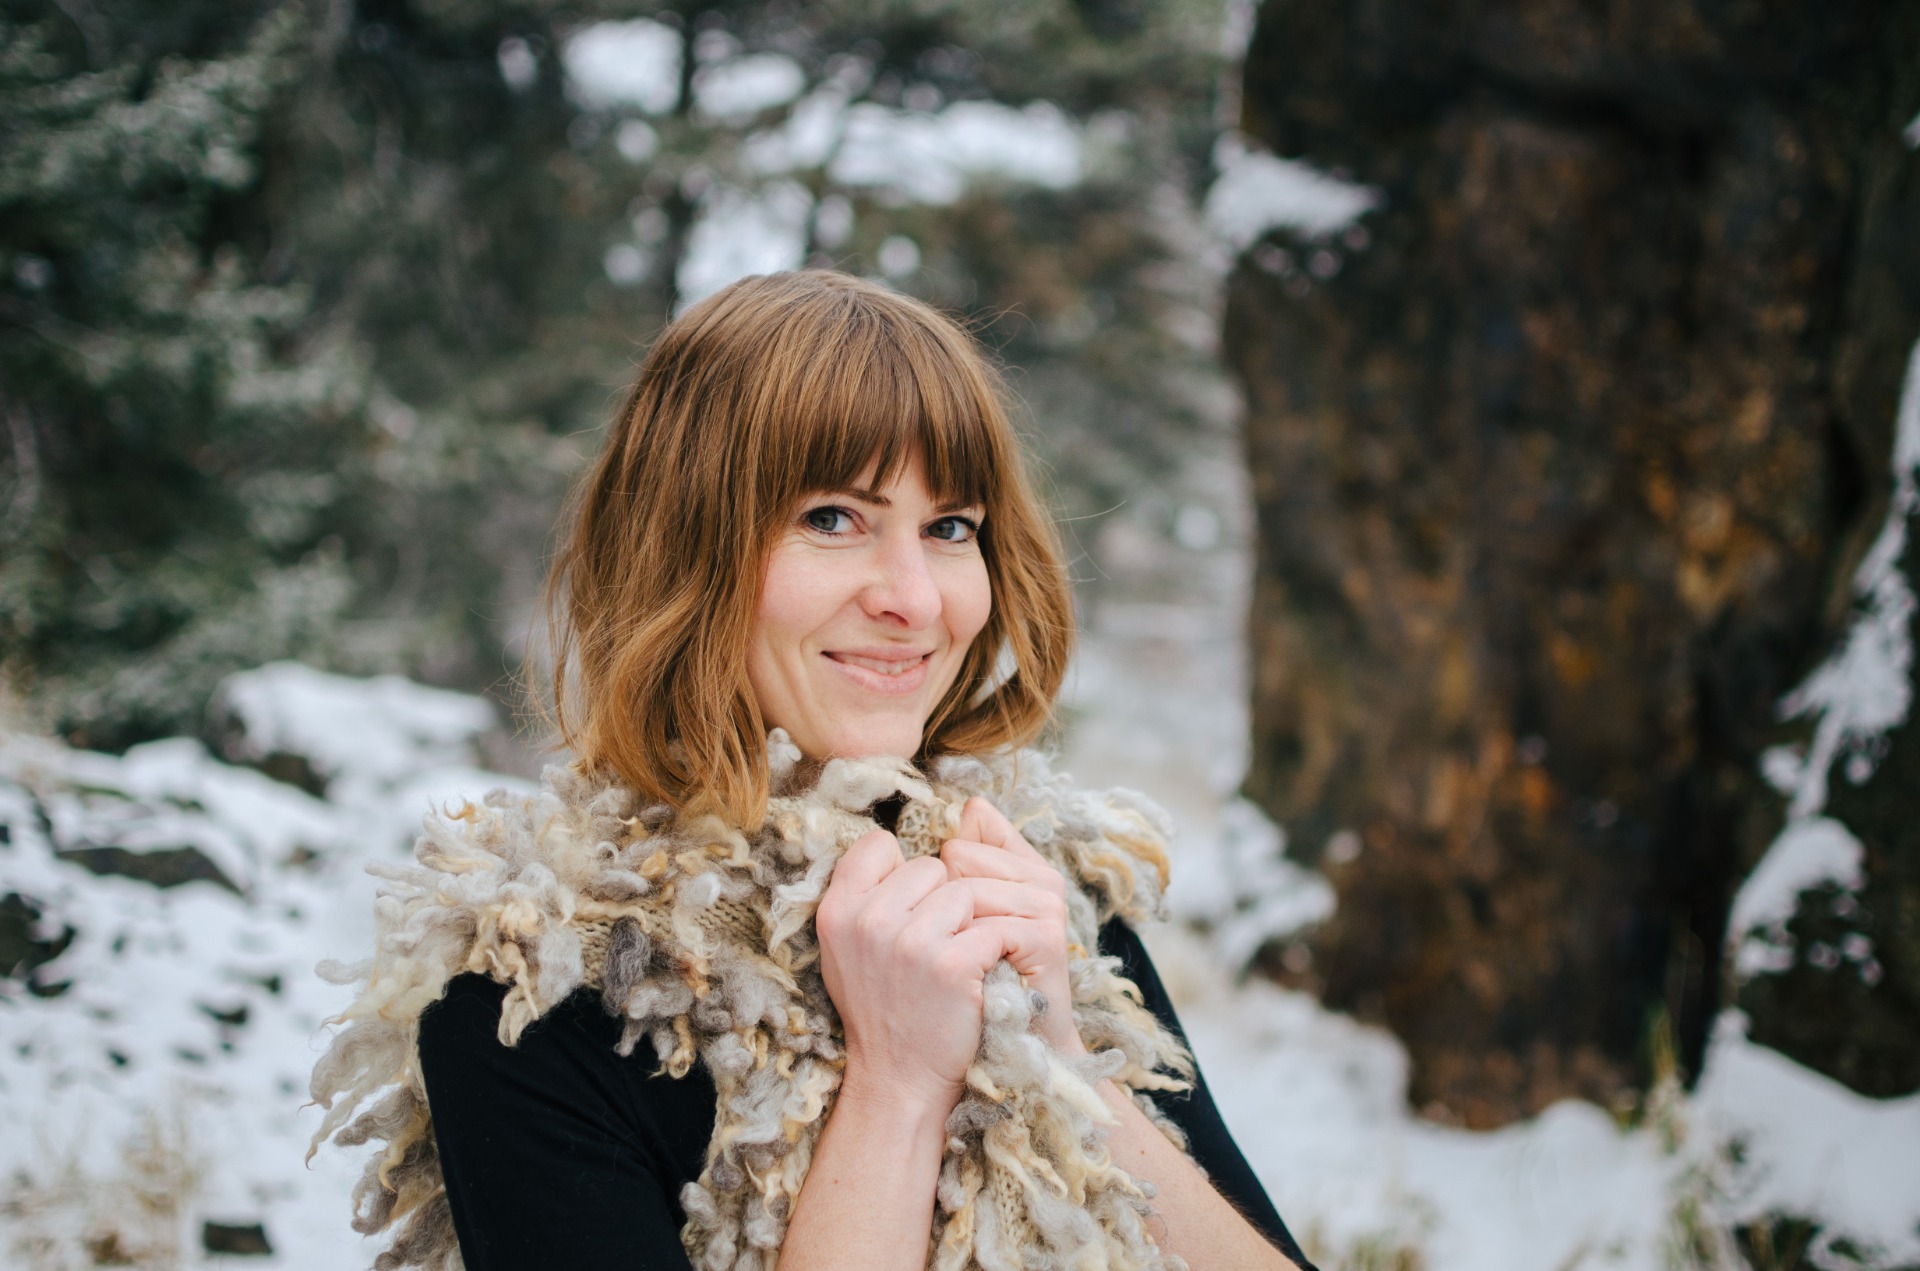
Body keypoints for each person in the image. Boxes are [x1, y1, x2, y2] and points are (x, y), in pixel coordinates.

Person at [309, 271, 1315, 1271]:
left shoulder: (1041, 895)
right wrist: (897, 1086)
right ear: (680, 544)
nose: (915, 599)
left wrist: (1059, 1059)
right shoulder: (534, 994)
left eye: (950, 528)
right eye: (832, 517)